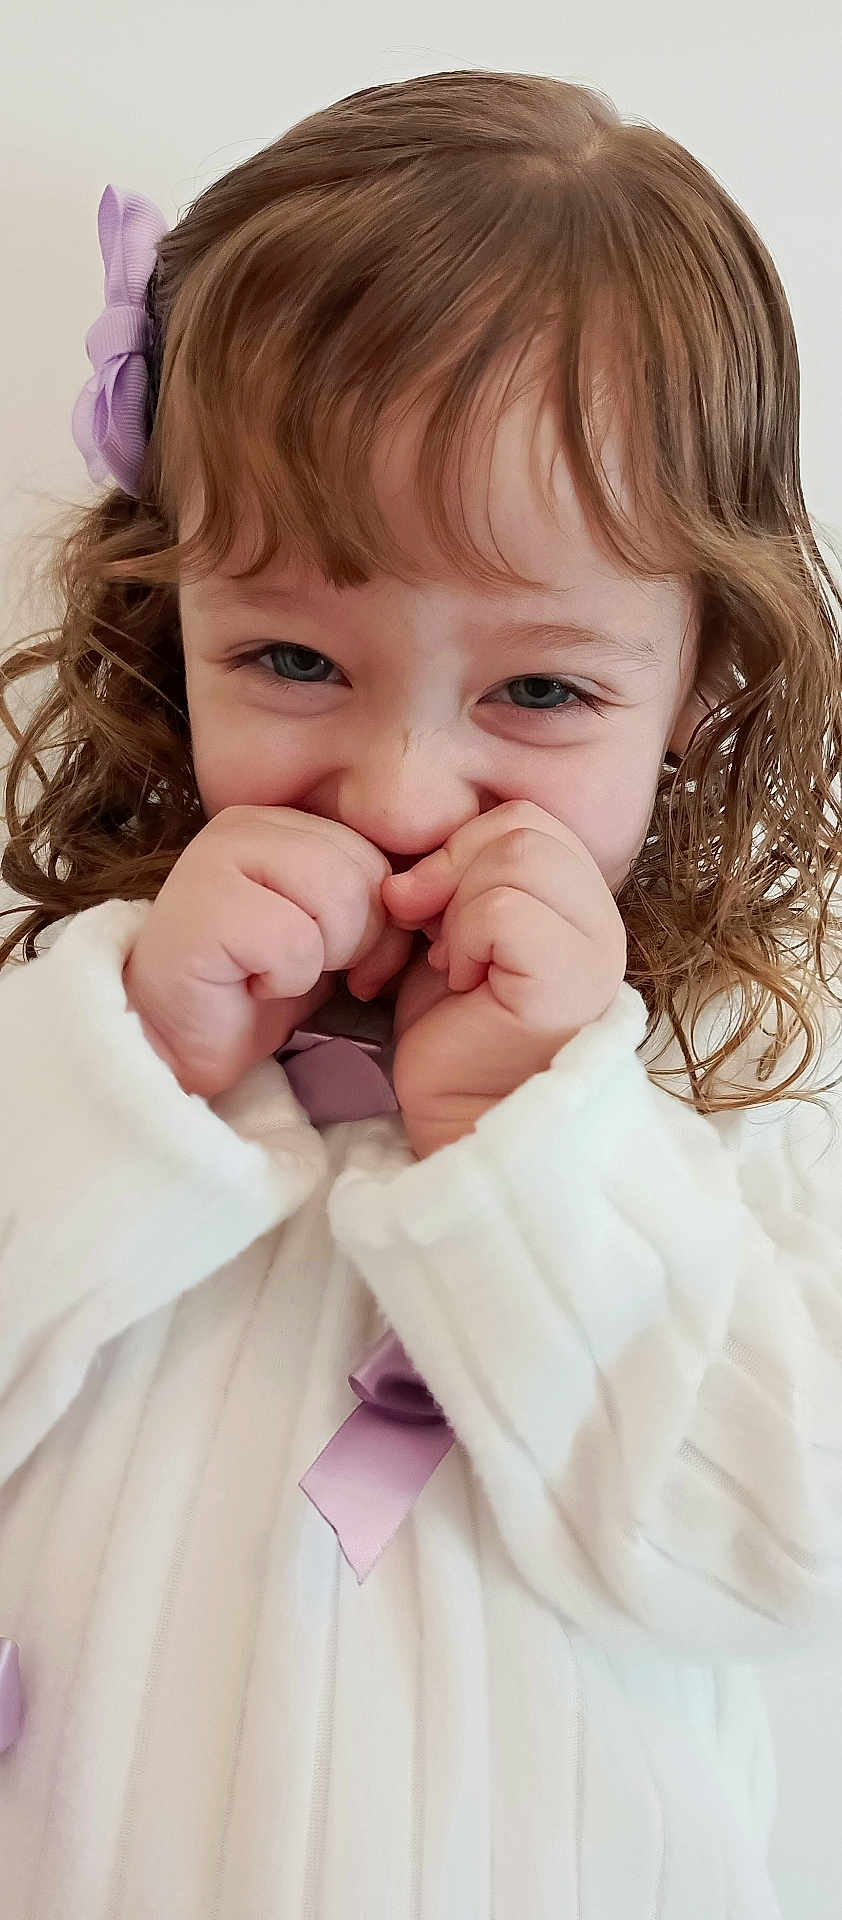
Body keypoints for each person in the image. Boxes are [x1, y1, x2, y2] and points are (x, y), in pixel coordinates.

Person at [1, 66, 841, 1920]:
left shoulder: (739, 1152)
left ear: (699, 687)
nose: (394, 792)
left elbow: (761, 1553)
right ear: (172, 627)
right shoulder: (70, 1054)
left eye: (539, 692)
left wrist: (535, 1145)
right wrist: (131, 1075)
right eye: (293, 655)